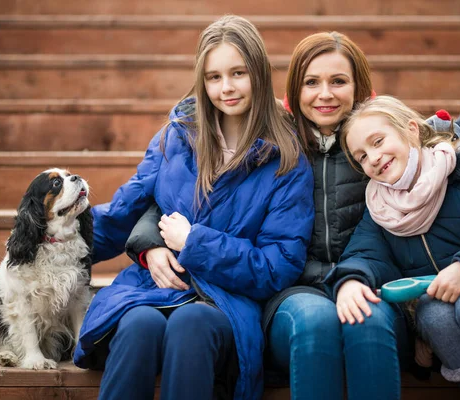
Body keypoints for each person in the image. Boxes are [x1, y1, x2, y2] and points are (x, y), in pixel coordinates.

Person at [73, 15, 314, 400]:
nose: (227, 88)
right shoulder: (176, 137)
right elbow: (125, 209)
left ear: (260, 73)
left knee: (191, 321)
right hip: (155, 288)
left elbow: (278, 265)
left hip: (227, 302)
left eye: (238, 73)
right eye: (214, 77)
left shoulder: (285, 160)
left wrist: (195, 242)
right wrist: (56, 241)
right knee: (137, 325)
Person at [326, 95, 460, 399]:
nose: (373, 158)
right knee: (434, 313)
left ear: (411, 130)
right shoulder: (380, 209)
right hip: (443, 324)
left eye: (378, 142)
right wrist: (350, 280)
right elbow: (364, 255)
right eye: (361, 156)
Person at [262, 32, 413, 400]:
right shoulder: (272, 146)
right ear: (294, 90)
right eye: (311, 82)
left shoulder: (382, 144)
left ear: (359, 87)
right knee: (316, 321)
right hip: (293, 295)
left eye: (338, 81)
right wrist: (153, 240)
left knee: (366, 318)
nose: (325, 94)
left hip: (378, 289)